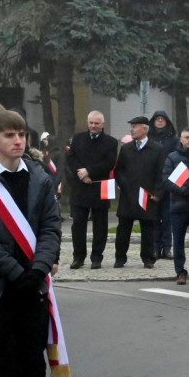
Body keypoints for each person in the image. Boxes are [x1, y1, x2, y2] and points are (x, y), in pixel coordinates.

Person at [0, 106, 71, 377]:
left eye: (21, 135)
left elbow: (51, 228)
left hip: (32, 287)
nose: (17, 141)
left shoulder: (39, 177)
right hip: (1, 286)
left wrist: (38, 270)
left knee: (32, 358)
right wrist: (16, 272)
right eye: (9, 135)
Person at [64, 110, 117, 269]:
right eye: (91, 123)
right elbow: (71, 158)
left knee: (100, 225)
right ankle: (78, 257)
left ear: (103, 124)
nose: (93, 126)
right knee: (78, 224)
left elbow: (109, 163)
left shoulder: (111, 142)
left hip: (100, 186)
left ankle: (96, 257)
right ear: (88, 123)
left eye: (97, 123)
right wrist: (81, 174)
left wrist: (89, 171)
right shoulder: (78, 138)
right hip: (80, 187)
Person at [113, 116, 166, 268]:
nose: (132, 129)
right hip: (128, 195)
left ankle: (148, 258)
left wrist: (157, 193)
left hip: (147, 196)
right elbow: (119, 171)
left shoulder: (157, 149)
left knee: (148, 228)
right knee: (123, 228)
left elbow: (161, 173)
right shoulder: (126, 148)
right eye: (132, 126)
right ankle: (120, 257)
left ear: (144, 129)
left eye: (135, 126)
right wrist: (124, 185)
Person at [162, 128, 189, 284]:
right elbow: (166, 179)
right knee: (178, 241)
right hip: (178, 206)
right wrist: (183, 190)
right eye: (186, 137)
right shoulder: (172, 157)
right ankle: (180, 272)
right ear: (180, 139)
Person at [149, 111, 181, 259]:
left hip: (168, 183)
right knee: (154, 217)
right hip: (153, 183)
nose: (160, 121)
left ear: (167, 122)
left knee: (167, 217)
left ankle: (167, 247)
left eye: (163, 119)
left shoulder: (174, 140)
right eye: (157, 119)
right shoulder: (149, 138)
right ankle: (155, 247)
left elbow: (177, 159)